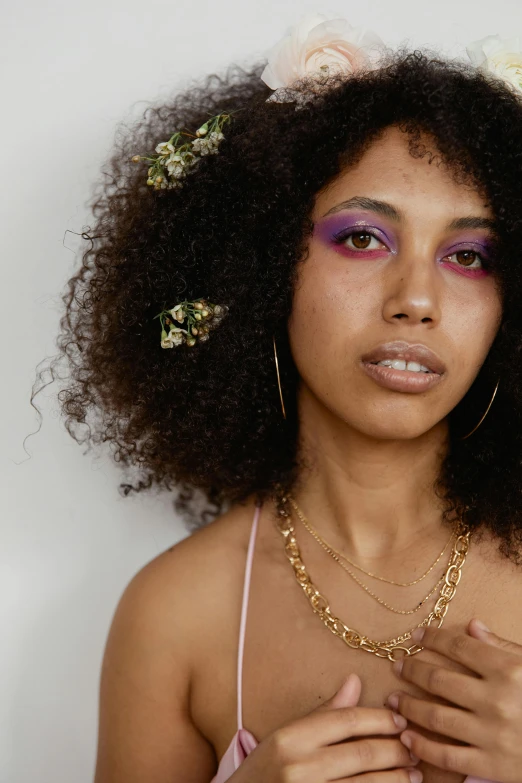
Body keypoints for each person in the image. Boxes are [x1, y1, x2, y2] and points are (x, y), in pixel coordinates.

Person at [44, 12, 522, 783]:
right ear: (263, 268)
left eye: (469, 254)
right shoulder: (175, 615)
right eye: (364, 238)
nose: (417, 300)